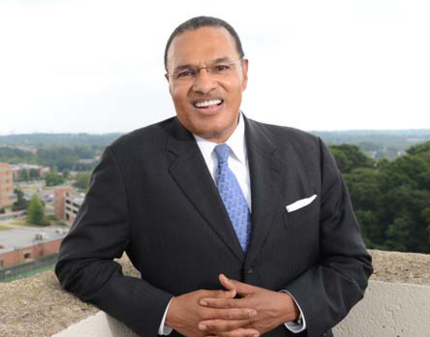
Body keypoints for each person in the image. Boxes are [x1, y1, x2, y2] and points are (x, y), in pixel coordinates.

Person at [56, 16, 372, 337]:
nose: (204, 85)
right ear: (169, 81)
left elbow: (350, 263)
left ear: (244, 72)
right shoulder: (127, 160)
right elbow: (79, 263)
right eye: (186, 72)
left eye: (220, 67)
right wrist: (168, 311)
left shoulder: (309, 152)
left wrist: (290, 305)